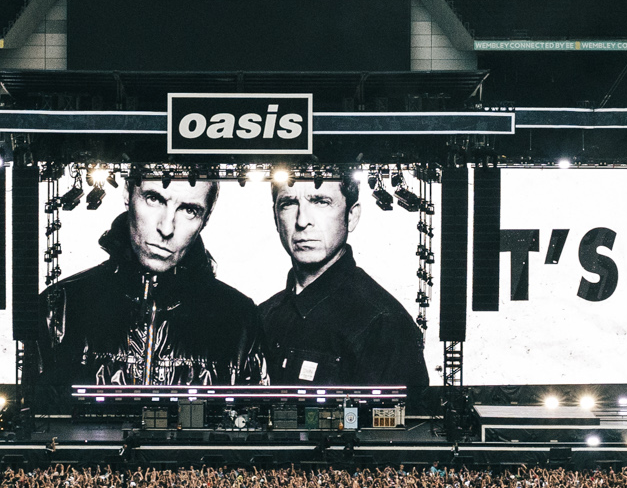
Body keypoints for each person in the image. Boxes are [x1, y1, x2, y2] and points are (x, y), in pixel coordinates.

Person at [41, 165, 261, 385]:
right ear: (127, 193)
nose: (166, 228)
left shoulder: (240, 320)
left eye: (189, 210)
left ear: (206, 218)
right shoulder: (60, 305)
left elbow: (260, 415)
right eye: (154, 199)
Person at [253, 170, 428, 388]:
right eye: (289, 203)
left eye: (320, 202)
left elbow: (397, 421)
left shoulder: (384, 324)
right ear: (275, 217)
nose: (302, 221)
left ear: (352, 216)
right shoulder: (263, 315)